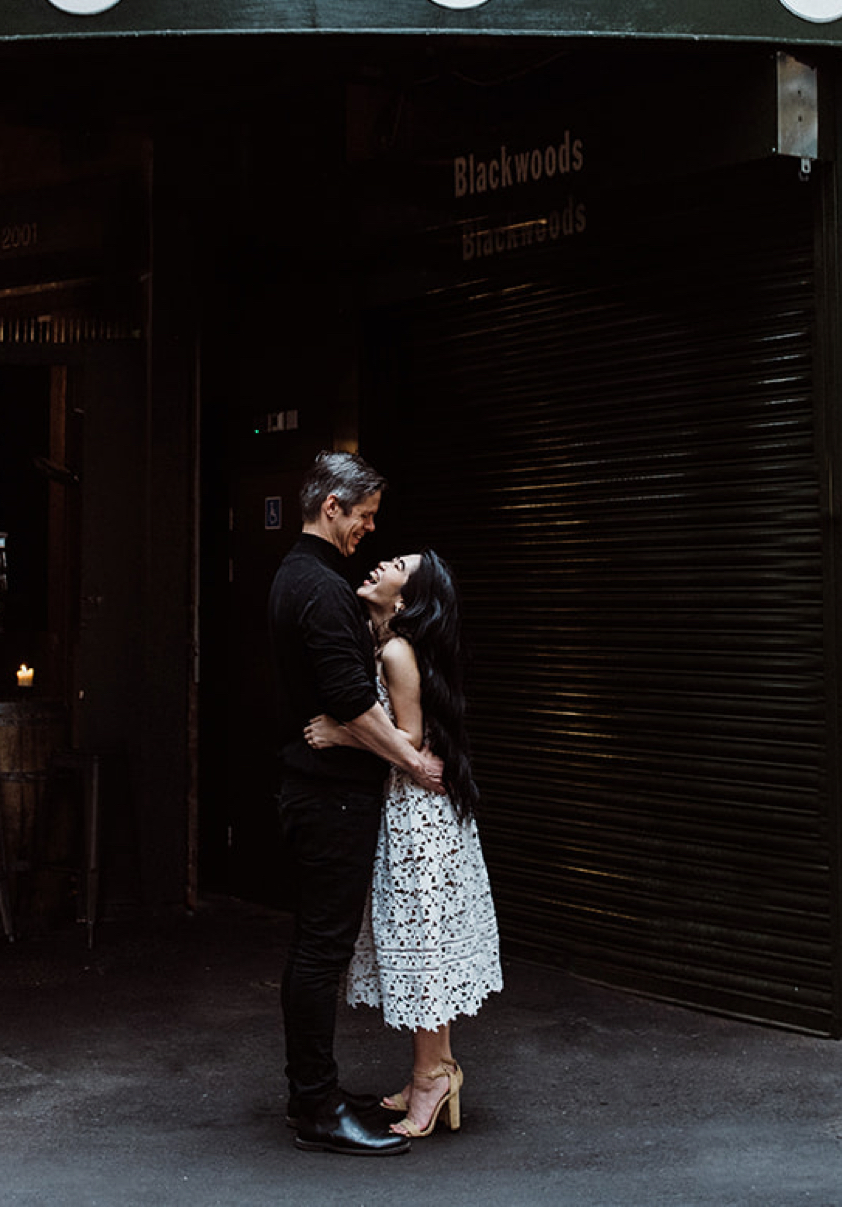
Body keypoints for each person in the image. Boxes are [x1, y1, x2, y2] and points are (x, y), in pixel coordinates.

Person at [268, 450, 443, 1156]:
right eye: (365, 515)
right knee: (321, 949)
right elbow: (351, 699)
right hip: (329, 796)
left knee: (317, 945)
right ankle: (316, 1106)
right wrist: (412, 760)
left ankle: (312, 1093)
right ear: (331, 506)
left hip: (313, 790)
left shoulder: (295, 575)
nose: (370, 529)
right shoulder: (323, 587)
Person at [307, 550, 501, 1139]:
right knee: (427, 948)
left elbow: (411, 739)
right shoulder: (389, 644)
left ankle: (431, 1080)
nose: (378, 564)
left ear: (407, 597)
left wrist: (341, 733)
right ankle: (435, 1068)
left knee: (423, 947)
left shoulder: (395, 650)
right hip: (418, 811)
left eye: (395, 565)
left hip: (418, 818)